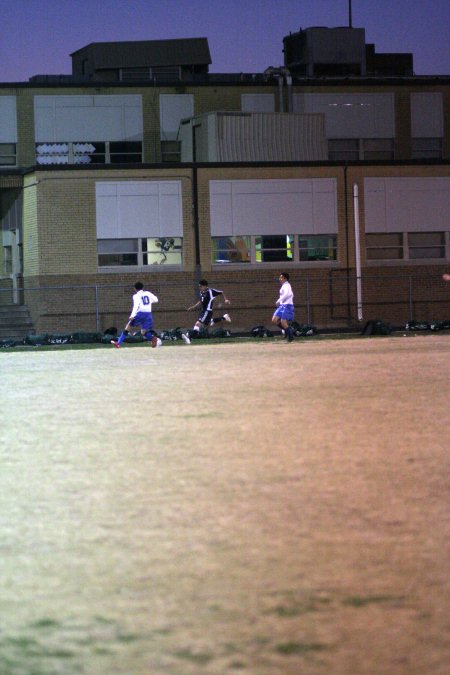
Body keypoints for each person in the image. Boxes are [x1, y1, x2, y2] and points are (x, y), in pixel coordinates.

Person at [182, 279, 231, 344]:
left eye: (200, 286)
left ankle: (189, 338)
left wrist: (226, 299)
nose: (199, 288)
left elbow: (221, 292)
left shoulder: (211, 291)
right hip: (204, 311)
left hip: (207, 311)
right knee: (208, 323)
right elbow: (200, 301)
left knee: (198, 324)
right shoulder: (201, 292)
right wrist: (193, 307)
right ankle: (224, 317)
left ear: (205, 286)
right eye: (199, 286)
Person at [111, 282, 159, 348]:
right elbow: (156, 300)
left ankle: (118, 343)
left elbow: (135, 306)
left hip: (140, 314)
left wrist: (132, 316)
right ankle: (153, 338)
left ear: (135, 289)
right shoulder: (148, 293)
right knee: (143, 332)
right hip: (148, 315)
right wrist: (150, 301)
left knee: (128, 327)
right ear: (142, 287)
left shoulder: (136, 296)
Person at [272, 272, 294, 342]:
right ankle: (287, 331)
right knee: (274, 320)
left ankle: (290, 336)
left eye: (281, 277)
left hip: (287, 305)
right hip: (282, 306)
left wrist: (279, 300)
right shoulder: (284, 286)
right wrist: (281, 302)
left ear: (285, 278)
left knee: (283, 322)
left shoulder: (287, 285)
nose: (280, 279)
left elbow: (288, 294)